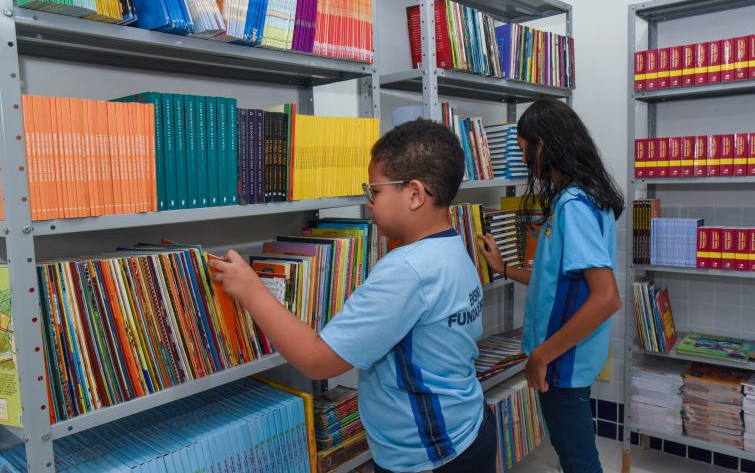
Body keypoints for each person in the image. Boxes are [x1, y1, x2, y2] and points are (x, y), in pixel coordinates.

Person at [210, 119, 496, 473]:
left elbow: (319, 361)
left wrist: (251, 290)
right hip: (469, 429)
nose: (369, 202)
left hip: (430, 459)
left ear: (415, 194)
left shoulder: (406, 270)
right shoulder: (454, 249)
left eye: (374, 191)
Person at [479, 99, 623, 473]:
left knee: (577, 459)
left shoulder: (573, 205)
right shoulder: (587, 196)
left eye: (526, 153)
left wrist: (542, 355)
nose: (527, 163)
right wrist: (505, 268)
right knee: (572, 450)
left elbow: (606, 298)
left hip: (562, 360)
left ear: (543, 146)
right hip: (568, 356)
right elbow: (556, 278)